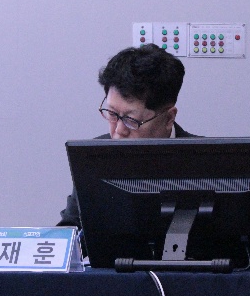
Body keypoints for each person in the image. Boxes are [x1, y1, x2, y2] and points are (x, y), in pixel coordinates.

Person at [57, 44, 198, 237]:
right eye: (112, 114)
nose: (118, 131)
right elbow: (70, 230)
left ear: (168, 118)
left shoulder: (205, 160)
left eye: (131, 120)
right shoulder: (94, 157)